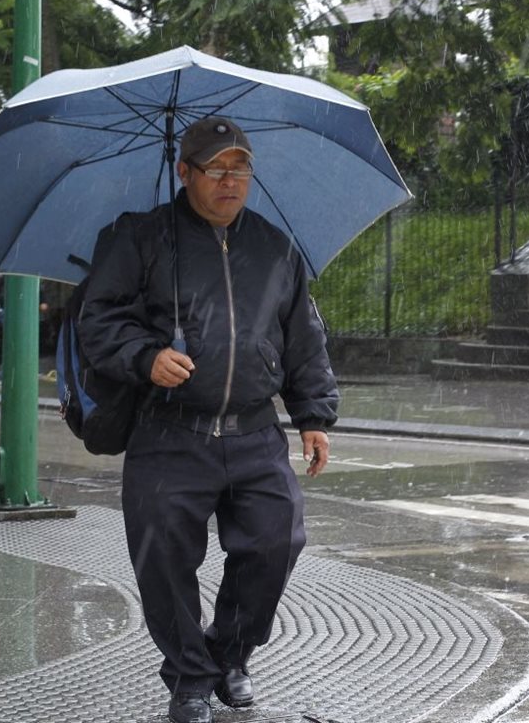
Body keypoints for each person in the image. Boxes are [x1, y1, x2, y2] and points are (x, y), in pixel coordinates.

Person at [77, 117, 339, 723]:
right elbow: (98, 320)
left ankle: (227, 655)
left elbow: (304, 337)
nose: (231, 180)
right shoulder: (140, 238)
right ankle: (190, 679)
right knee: (164, 560)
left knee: (277, 543)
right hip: (168, 434)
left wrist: (314, 416)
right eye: (216, 169)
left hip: (255, 432)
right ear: (184, 172)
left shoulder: (275, 248)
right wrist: (145, 357)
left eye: (241, 167)